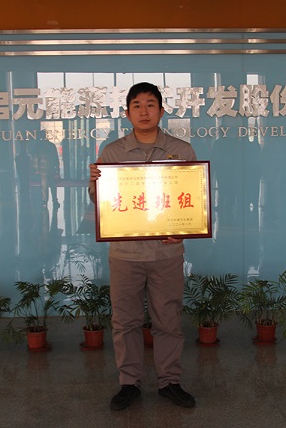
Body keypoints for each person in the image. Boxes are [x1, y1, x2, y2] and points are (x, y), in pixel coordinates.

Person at [88, 82, 197, 411]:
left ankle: (170, 382)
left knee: (168, 320)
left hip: (166, 253)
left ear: (161, 111)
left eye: (151, 104)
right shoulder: (112, 152)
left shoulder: (181, 150)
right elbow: (101, 203)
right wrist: (95, 184)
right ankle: (129, 383)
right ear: (127, 113)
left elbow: (193, 200)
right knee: (125, 322)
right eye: (137, 105)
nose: (144, 111)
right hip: (126, 254)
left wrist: (184, 230)